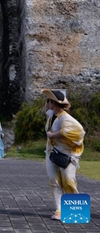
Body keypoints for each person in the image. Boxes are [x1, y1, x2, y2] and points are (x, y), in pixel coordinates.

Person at [42, 88, 85, 221]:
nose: (47, 104)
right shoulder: (51, 115)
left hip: (67, 155)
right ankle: (59, 209)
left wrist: (52, 135)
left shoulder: (65, 118)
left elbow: (78, 132)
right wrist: (49, 101)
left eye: (49, 101)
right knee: (54, 181)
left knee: (68, 180)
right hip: (52, 153)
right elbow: (47, 110)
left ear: (53, 103)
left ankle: (74, 209)